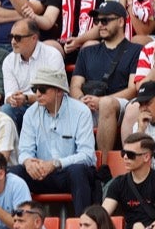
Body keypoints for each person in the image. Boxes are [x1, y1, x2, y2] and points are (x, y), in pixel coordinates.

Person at [10, 66, 97, 211]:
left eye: (42, 89)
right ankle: (19, 224)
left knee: (78, 171)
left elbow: (87, 155)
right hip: (41, 173)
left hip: (67, 172)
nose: (37, 94)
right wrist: (28, 163)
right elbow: (25, 150)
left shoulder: (81, 111)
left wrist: (56, 163)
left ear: (59, 91)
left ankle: (83, 225)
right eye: (35, 89)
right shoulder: (31, 113)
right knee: (14, 172)